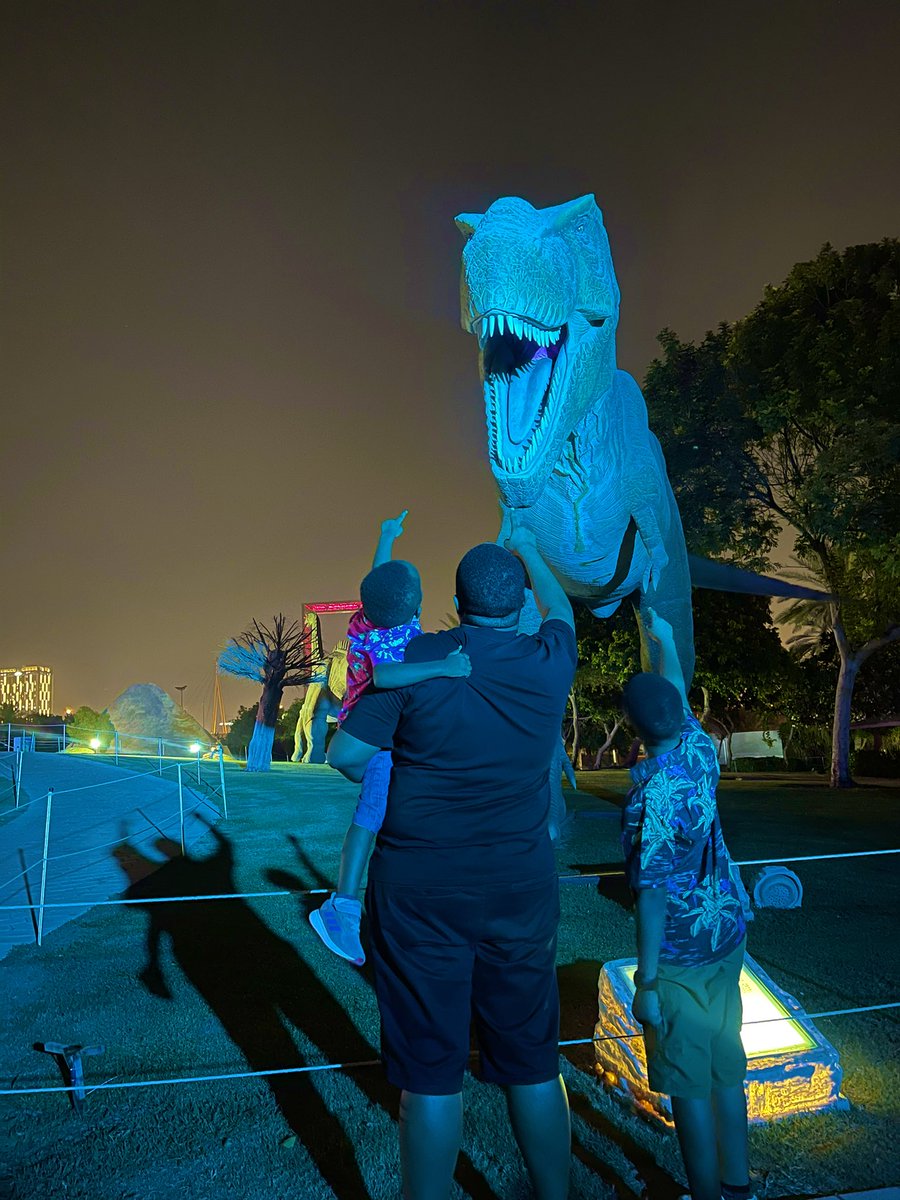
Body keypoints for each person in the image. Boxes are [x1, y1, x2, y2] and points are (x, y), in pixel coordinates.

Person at [327, 526, 577, 1200]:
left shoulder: (418, 659)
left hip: (421, 894)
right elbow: (564, 612)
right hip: (520, 890)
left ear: (456, 603)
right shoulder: (551, 657)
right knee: (532, 1063)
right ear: (518, 598)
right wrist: (532, 554)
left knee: (430, 1073)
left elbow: (347, 758)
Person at [620, 608, 750, 1200]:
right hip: (725, 935)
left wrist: (646, 982)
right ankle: (737, 1184)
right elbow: (672, 693)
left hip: (678, 958)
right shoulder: (700, 750)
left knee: (689, 1086)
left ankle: (705, 1195)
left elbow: (651, 892)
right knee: (726, 1064)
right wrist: (665, 639)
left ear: (632, 728)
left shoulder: (652, 794)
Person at [310, 510, 471, 965]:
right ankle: (342, 908)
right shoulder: (400, 638)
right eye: (418, 591)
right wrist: (444, 665)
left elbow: (376, 580)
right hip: (374, 733)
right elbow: (384, 674)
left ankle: (348, 903)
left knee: (374, 810)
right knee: (372, 811)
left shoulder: (364, 618)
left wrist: (386, 537)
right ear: (414, 606)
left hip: (358, 727)